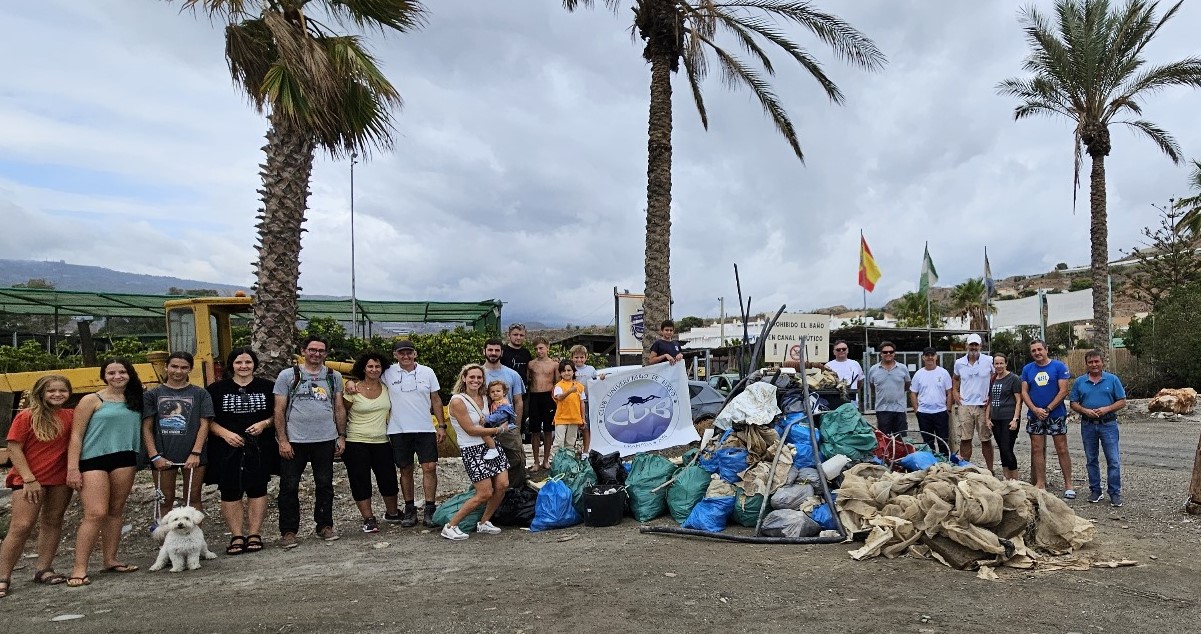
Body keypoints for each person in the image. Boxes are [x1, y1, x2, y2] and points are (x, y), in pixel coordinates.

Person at [66, 358, 145, 586]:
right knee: (95, 513)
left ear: (129, 374)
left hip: (125, 457)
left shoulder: (136, 400)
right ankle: (79, 568)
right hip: (93, 459)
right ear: (104, 375)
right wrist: (73, 468)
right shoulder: (91, 400)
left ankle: (110, 559)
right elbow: (76, 436)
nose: (117, 376)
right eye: (111, 372)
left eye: (122, 372)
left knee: (115, 510)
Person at [1, 375, 75, 595]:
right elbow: (13, 448)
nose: (57, 394)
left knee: (53, 521)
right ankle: (3, 575)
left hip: (60, 478)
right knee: (21, 526)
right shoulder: (26, 416)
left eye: (62, 390)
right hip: (29, 480)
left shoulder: (71, 416)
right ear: (41, 393)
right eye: (51, 391)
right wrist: (29, 479)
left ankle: (44, 568)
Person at [274, 336, 347, 548]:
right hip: (295, 440)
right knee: (289, 486)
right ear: (303, 351)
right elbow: (278, 409)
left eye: (321, 351)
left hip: (325, 439)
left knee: (324, 485)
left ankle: (324, 525)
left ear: (326, 353)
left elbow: (339, 407)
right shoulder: (288, 376)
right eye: (312, 350)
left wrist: (341, 435)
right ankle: (288, 531)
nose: (316, 354)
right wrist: (283, 440)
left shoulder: (333, 376)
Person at [205, 347, 278, 555]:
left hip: (259, 446)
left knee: (257, 488)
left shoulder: (267, 387)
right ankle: (236, 535)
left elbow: (278, 415)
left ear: (255, 364)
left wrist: (264, 424)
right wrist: (224, 434)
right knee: (230, 491)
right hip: (226, 447)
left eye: (248, 362)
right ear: (232, 365)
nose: (243, 366)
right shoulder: (216, 389)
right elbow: (207, 420)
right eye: (239, 363)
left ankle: (255, 533)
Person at [380, 339, 445, 528]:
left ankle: (430, 507)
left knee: (430, 467)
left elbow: (436, 399)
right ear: (395, 355)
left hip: (424, 428)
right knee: (405, 469)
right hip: (398, 429)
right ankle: (410, 508)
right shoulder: (387, 372)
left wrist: (441, 425)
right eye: (402, 353)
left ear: (415, 353)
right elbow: (368, 380)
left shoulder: (427, 372)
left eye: (409, 352)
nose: (406, 356)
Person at [442, 364, 510, 540]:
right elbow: (471, 430)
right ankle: (451, 525)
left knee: (502, 485)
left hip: (491, 445)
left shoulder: (486, 398)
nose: (475, 380)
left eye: (479, 377)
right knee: (484, 492)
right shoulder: (458, 401)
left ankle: (484, 522)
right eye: (472, 377)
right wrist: (497, 431)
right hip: (472, 449)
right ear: (464, 378)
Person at [143, 352, 214, 521]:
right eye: (174, 366)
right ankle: (166, 542)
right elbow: (146, 428)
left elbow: (205, 424)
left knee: (193, 497)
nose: (178, 371)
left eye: (184, 367)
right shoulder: (152, 395)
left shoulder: (200, 393)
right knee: (165, 499)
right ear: (166, 367)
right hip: (163, 454)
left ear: (190, 369)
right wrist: (154, 456)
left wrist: (196, 453)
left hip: (193, 455)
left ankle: (196, 543)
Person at [342, 351, 401, 533]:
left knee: (388, 478)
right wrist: (341, 436)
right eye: (370, 366)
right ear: (363, 368)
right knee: (360, 480)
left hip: (381, 440)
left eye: (377, 366)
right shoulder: (353, 389)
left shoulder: (387, 388)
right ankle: (368, 518)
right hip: (355, 440)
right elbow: (342, 413)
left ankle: (392, 513)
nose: (374, 369)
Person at [1069, 350, 1127, 507]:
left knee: (1113, 460)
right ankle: (1095, 490)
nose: (1094, 365)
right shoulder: (1080, 382)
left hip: (1108, 424)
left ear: (1102, 362)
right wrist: (1085, 410)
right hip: (1088, 425)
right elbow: (1073, 402)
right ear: (1086, 364)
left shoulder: (1112, 380)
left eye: (1097, 361)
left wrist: (1107, 409)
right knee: (1091, 459)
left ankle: (1114, 493)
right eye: (1090, 362)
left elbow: (1122, 401)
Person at [1020, 339, 1075, 497]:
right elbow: (1024, 392)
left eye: (1039, 349)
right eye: (1033, 351)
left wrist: (1048, 408)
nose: (1037, 353)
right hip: (1035, 415)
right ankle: (1040, 483)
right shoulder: (1027, 369)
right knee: (1037, 449)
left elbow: (1063, 390)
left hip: (1055, 414)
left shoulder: (1058, 367)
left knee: (1062, 449)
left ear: (1046, 349)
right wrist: (1035, 409)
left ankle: (1068, 485)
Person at [483, 338, 527, 487]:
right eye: (490, 350)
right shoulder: (478, 374)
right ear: (484, 351)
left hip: (508, 427)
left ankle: (515, 491)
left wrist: (517, 426)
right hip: (485, 429)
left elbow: (518, 401)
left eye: (496, 350)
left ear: (501, 352)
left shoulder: (513, 375)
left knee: (516, 460)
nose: (493, 353)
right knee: (489, 463)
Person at [952, 334, 994, 469]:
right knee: (965, 438)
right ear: (967, 346)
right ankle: (965, 468)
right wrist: (955, 392)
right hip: (965, 405)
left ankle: (990, 469)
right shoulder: (959, 363)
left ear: (980, 346)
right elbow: (956, 378)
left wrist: (991, 395)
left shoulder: (989, 360)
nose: (974, 347)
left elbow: (995, 376)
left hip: (983, 405)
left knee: (985, 439)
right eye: (971, 345)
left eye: (976, 345)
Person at [985, 353, 1023, 481]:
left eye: (1001, 363)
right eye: (996, 363)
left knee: (1007, 449)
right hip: (996, 419)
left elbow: (1019, 400)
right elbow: (990, 400)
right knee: (1001, 449)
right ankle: (1006, 478)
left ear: (1006, 363)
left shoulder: (1014, 378)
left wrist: (1015, 419)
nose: (999, 366)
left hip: (1008, 418)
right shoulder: (993, 379)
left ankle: (1015, 479)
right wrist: (987, 418)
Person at [909, 347, 953, 454]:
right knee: (928, 443)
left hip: (941, 412)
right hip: (924, 414)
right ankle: (931, 465)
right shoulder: (918, 374)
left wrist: (948, 409)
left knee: (943, 441)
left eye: (932, 355)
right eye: (927, 355)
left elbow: (949, 392)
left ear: (936, 357)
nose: (930, 358)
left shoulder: (943, 373)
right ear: (923, 357)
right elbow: (913, 393)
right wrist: (917, 411)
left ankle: (945, 463)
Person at [526, 336, 558, 472]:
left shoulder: (554, 364)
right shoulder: (531, 364)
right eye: (536, 349)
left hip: (548, 397)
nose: (538, 351)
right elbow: (527, 380)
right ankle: (536, 461)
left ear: (547, 348)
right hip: (534, 397)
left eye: (541, 348)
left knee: (548, 430)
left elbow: (557, 383)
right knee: (535, 430)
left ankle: (546, 460)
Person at [866, 341, 911, 436]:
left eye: (891, 352)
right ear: (881, 354)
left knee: (901, 440)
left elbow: (907, 385)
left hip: (899, 409)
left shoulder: (903, 368)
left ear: (894, 353)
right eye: (885, 352)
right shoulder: (873, 370)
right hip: (882, 410)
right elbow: (872, 386)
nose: (888, 354)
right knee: (884, 439)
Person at [552, 360, 586, 453]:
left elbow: (582, 403)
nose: (566, 373)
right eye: (563, 371)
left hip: (574, 418)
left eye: (569, 370)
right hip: (561, 418)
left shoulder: (579, 386)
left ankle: (569, 463)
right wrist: (569, 391)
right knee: (558, 442)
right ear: (560, 373)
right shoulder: (558, 386)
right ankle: (557, 463)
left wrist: (582, 418)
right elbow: (559, 397)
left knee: (570, 443)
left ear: (573, 371)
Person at [569, 345, 597, 454]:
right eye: (576, 357)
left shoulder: (591, 369)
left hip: (587, 402)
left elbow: (597, 381)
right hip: (573, 402)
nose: (579, 360)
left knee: (586, 426)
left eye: (581, 357)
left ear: (586, 357)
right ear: (572, 357)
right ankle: (572, 450)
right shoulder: (570, 369)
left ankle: (586, 451)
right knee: (573, 428)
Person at [825, 340, 864, 407]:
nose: (841, 351)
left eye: (844, 349)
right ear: (834, 352)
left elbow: (860, 382)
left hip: (852, 402)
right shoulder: (828, 365)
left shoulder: (855, 364)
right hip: (834, 402)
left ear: (847, 350)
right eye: (838, 349)